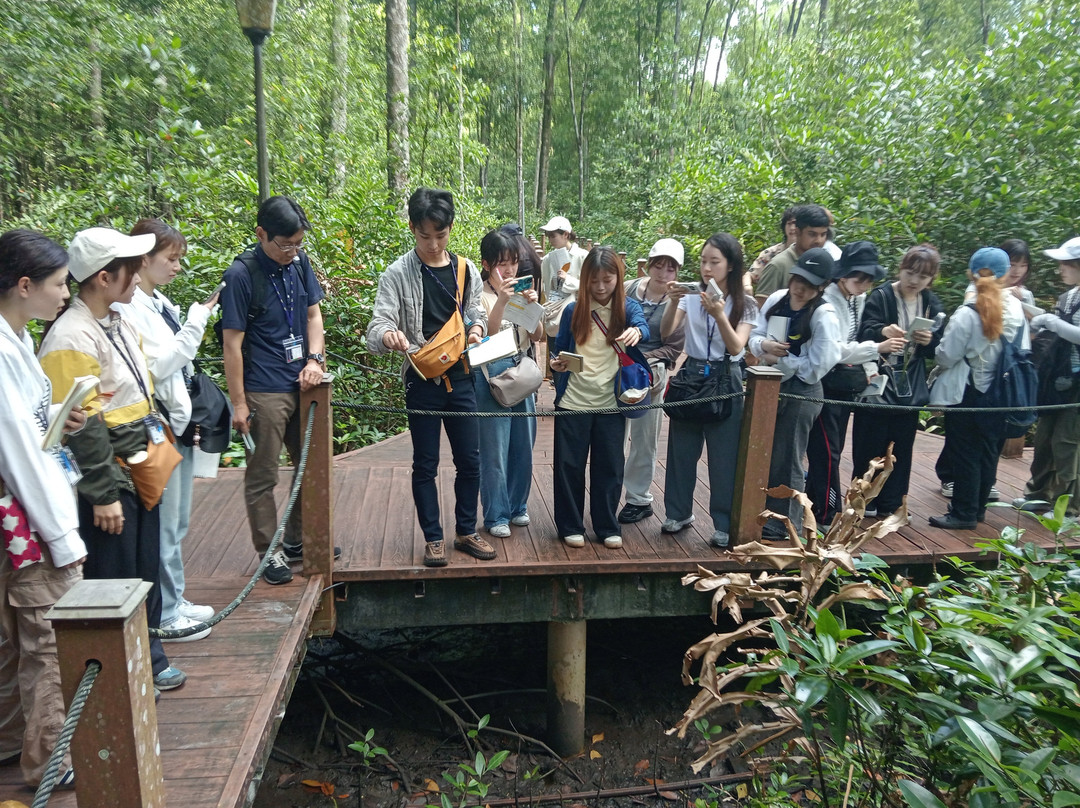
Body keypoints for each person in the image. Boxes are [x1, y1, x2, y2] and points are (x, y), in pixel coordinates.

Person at [38, 226, 186, 692]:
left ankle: (150, 653)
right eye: (131, 266)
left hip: (139, 461)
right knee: (115, 572)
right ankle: (122, 673)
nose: (139, 272)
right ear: (104, 277)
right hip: (110, 476)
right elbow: (82, 426)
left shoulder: (116, 320)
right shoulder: (71, 337)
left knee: (145, 564)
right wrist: (102, 495)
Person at [366, 187, 495, 567]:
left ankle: (467, 531)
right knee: (425, 462)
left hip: (463, 378)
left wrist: (475, 330)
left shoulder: (465, 269)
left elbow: (476, 314)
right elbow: (378, 324)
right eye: (425, 236)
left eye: (441, 235)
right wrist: (389, 336)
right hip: (422, 379)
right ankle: (434, 538)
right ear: (412, 229)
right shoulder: (397, 273)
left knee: (470, 461)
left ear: (450, 229)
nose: (434, 244)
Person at [0, 230, 86, 788]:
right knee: (47, 638)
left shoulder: (16, 337)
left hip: (19, 514)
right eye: (58, 285)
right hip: (26, 519)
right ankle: (50, 761)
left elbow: (23, 423)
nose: (64, 295)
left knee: (11, 640)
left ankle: (11, 740)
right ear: (25, 284)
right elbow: (18, 453)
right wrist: (63, 538)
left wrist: (58, 411)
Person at [113, 219, 216, 637]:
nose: (177, 267)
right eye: (170, 259)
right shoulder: (132, 307)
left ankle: (175, 599)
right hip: (155, 429)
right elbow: (157, 366)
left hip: (175, 423)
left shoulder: (157, 302)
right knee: (165, 525)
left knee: (178, 522)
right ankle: (167, 614)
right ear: (143, 259)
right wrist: (195, 324)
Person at [219, 196, 329, 586]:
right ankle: (270, 551)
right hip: (264, 388)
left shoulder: (299, 264)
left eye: (298, 244)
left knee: (309, 465)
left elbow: (314, 314)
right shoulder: (241, 275)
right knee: (263, 474)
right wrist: (239, 403)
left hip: (305, 383)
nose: (292, 252)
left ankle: (301, 539)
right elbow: (232, 345)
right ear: (261, 234)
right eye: (285, 245)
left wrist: (314, 359)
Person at [658, 233, 759, 547]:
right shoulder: (690, 295)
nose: (707, 268)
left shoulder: (746, 304)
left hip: (725, 376)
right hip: (691, 374)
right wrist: (673, 301)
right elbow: (666, 333)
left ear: (730, 265)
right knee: (681, 449)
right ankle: (678, 512)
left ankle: (724, 523)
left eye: (714, 262)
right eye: (703, 261)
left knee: (724, 455)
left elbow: (737, 346)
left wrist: (719, 314)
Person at [550, 247, 648, 549]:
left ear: (618, 278)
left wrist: (636, 333)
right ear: (585, 280)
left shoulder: (627, 308)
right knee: (569, 467)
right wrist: (557, 365)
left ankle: (607, 526)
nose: (601, 287)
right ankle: (570, 525)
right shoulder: (573, 309)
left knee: (609, 466)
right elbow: (561, 350)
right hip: (574, 401)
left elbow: (642, 325)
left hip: (610, 402)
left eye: (608, 280)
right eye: (594, 281)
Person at [929, 247, 1029, 530]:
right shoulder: (1017, 309)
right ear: (1007, 274)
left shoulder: (967, 313)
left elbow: (946, 355)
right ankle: (979, 507)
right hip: (1002, 392)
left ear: (970, 275)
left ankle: (963, 513)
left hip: (970, 392)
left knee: (965, 453)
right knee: (988, 451)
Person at [749, 248, 842, 539]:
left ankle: (785, 521)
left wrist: (782, 361)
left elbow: (820, 364)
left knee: (789, 456)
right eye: (799, 279)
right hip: (769, 383)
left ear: (822, 286)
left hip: (802, 391)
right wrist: (764, 347)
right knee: (764, 450)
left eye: (811, 284)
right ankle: (761, 510)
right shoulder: (777, 300)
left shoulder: (823, 313)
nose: (801, 288)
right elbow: (754, 335)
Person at [805, 241, 898, 525]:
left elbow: (853, 343)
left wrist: (870, 369)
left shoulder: (855, 298)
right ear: (843, 275)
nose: (864, 284)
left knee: (832, 448)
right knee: (826, 450)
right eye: (860, 278)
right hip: (823, 383)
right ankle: (824, 512)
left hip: (845, 385)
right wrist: (878, 348)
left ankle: (821, 508)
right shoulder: (828, 300)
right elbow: (835, 350)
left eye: (869, 279)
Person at [851, 244, 945, 519]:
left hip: (909, 384)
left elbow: (938, 344)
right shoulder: (881, 296)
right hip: (879, 379)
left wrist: (929, 341)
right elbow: (863, 332)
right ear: (900, 269)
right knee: (870, 443)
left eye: (923, 276)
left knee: (902, 446)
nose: (914, 280)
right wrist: (882, 331)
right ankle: (863, 499)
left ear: (931, 279)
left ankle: (892, 502)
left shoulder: (930, 302)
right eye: (910, 272)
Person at [474, 229, 543, 538]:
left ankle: (518, 507)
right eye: (503, 263)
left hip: (523, 369)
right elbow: (486, 337)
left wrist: (531, 305)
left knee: (523, 445)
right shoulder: (479, 293)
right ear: (487, 264)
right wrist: (502, 300)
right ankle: (496, 514)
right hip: (492, 373)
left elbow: (538, 335)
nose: (510, 270)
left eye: (514, 262)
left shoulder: (522, 290)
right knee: (494, 450)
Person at [617, 239, 686, 526]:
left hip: (652, 375)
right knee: (615, 434)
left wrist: (645, 360)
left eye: (671, 267)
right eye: (659, 264)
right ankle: (610, 491)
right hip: (619, 369)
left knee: (645, 438)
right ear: (649, 264)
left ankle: (638, 498)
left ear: (677, 271)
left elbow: (673, 347)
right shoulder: (629, 288)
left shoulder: (680, 300)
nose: (663, 272)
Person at [1014, 238, 1080, 516]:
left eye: (1067, 263)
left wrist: (1054, 323)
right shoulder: (1068, 297)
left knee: (1067, 443)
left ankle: (1069, 506)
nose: (1061, 269)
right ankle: (1039, 493)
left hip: (1078, 384)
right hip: (1057, 379)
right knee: (1044, 439)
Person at [753, 204, 831, 306]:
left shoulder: (825, 263)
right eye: (812, 234)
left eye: (823, 234)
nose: (818, 240)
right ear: (797, 232)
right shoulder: (778, 266)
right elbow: (762, 308)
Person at [747, 207, 799, 290]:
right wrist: (747, 287)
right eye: (789, 224)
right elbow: (750, 274)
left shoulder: (810, 253)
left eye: (795, 223)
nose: (792, 228)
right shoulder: (771, 253)